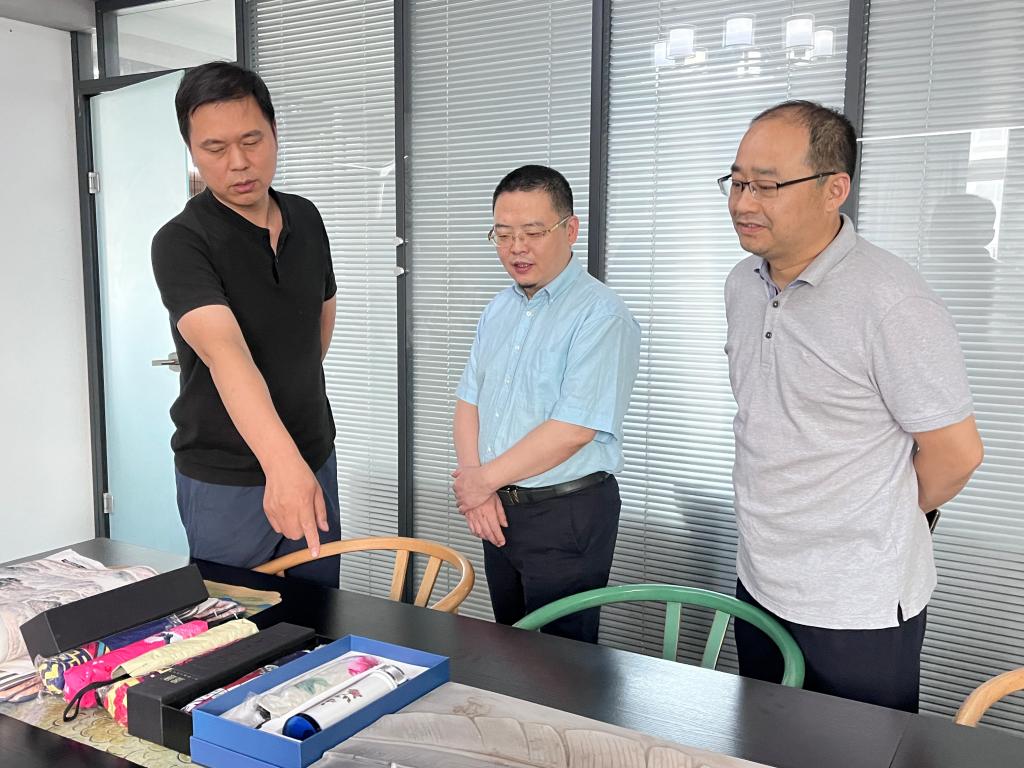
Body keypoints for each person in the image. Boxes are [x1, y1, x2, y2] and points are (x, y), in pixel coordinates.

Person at [720, 100, 984, 711]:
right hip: (760, 576)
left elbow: (957, 454)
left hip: (857, 602)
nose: (742, 202)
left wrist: (881, 513)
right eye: (736, 182)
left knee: (858, 750)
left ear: (834, 189)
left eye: (766, 185)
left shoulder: (893, 302)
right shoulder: (742, 283)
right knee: (759, 741)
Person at [151, 62, 341, 587]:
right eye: (214, 148)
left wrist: (297, 446)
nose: (238, 163)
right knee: (237, 626)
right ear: (192, 150)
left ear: (274, 132)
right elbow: (225, 354)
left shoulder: (306, 217)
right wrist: (281, 465)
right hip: (227, 479)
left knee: (320, 615)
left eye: (252, 140)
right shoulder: (182, 241)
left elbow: (320, 320)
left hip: (313, 455)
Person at [451, 165, 641, 644]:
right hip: (498, 507)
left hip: (567, 513)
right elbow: (469, 402)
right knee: (510, 648)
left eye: (533, 232)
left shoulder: (601, 315)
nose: (517, 247)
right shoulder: (498, 309)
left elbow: (573, 428)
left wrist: (480, 483)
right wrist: (478, 486)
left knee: (560, 664)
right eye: (503, 234)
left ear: (569, 230)